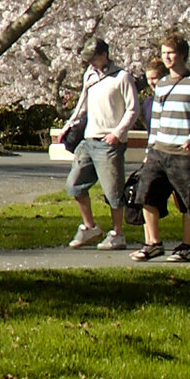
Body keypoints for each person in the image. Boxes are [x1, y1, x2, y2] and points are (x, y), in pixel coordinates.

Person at [130, 32, 190, 263]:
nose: (167, 57)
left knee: (188, 201)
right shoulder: (163, 84)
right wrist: (150, 149)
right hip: (160, 150)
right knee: (145, 195)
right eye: (164, 53)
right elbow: (156, 120)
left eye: (171, 53)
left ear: (183, 55)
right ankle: (153, 243)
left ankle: (186, 247)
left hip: (184, 153)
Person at [62, 39, 138, 251]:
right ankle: (90, 227)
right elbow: (82, 104)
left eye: (94, 58)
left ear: (104, 55)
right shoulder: (90, 75)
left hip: (109, 142)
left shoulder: (122, 77)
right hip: (89, 139)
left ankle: (117, 234)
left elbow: (133, 109)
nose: (91, 63)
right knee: (74, 185)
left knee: (113, 192)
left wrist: (117, 133)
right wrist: (69, 125)